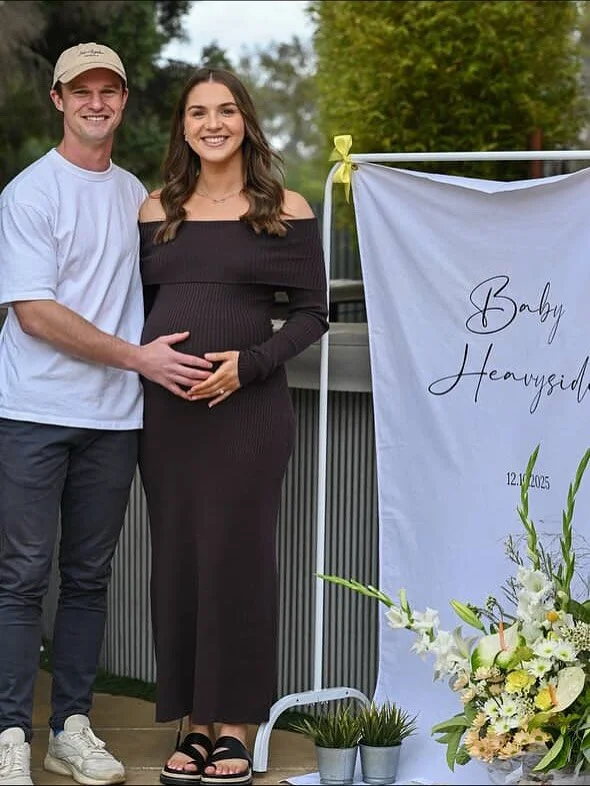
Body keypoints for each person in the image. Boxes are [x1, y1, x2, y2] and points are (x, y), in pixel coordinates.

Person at [0, 43, 212, 786]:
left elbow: (188, 276)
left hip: (115, 420)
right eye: (80, 91)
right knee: (22, 576)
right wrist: (140, 359)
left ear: (123, 100)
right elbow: (34, 315)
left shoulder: (141, 198)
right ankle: (7, 736)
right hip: (31, 411)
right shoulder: (29, 194)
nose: (96, 102)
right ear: (58, 100)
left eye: (109, 90)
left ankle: (72, 728)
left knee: (89, 576)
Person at [138, 67, 329, 786]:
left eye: (224, 110)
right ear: (182, 126)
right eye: (196, 112)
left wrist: (246, 366)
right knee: (178, 560)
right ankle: (190, 721)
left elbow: (312, 313)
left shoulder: (283, 207)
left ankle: (237, 723)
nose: (211, 123)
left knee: (239, 561)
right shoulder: (155, 208)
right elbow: (134, 311)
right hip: (167, 420)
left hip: (248, 415)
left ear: (245, 119)